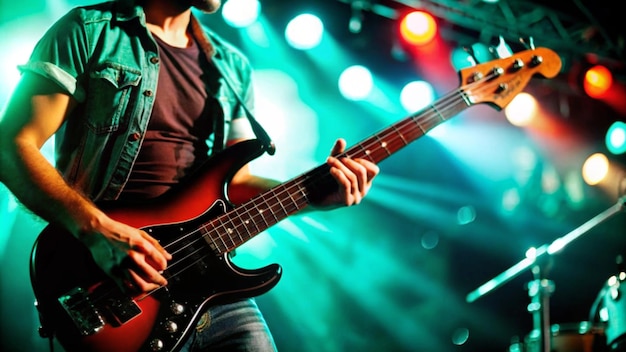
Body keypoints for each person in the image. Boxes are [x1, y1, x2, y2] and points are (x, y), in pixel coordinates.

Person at [0, 0, 379, 351]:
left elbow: (237, 183)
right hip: (105, 281)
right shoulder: (89, 30)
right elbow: (10, 147)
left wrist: (311, 194)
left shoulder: (230, 67)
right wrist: (97, 232)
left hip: (206, 280)